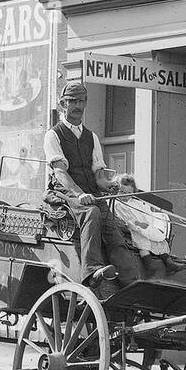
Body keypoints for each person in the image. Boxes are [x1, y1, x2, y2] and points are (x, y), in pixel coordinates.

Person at [43, 81, 141, 289]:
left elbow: (99, 178)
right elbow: (60, 172)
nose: (77, 106)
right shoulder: (53, 135)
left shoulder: (92, 137)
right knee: (92, 213)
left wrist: (111, 186)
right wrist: (79, 194)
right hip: (64, 194)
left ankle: (130, 282)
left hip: (91, 193)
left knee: (113, 230)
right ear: (62, 104)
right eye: (72, 102)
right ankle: (91, 272)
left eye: (81, 101)